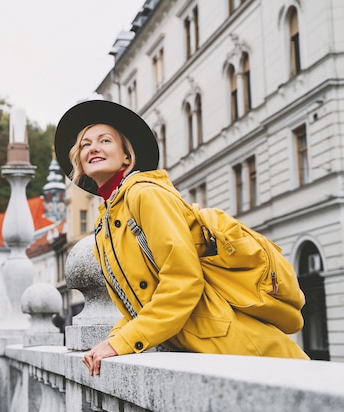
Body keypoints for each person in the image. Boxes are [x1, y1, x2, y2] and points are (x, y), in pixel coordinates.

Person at [53, 100, 309, 377]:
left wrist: (123, 342)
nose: (93, 148)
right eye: (85, 144)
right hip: (204, 355)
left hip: (236, 351)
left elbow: (183, 280)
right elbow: (137, 305)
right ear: (78, 159)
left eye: (105, 140)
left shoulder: (145, 195)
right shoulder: (106, 222)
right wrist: (112, 340)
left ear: (127, 156)